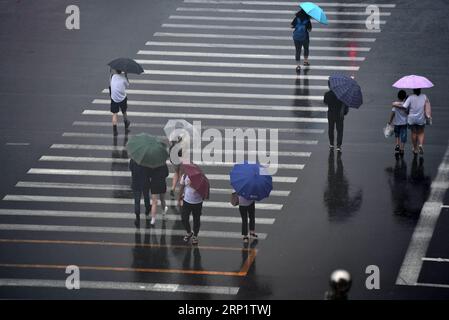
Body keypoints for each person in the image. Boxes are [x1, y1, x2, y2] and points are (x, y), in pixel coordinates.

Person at [394, 88, 430, 156]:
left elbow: (404, 107)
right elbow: (427, 106)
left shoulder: (410, 97)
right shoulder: (424, 96)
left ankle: (415, 148)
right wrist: (428, 115)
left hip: (412, 118)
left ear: (413, 90)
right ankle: (421, 145)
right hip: (421, 118)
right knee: (421, 132)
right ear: (420, 89)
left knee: (414, 132)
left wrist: (395, 105)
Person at [178, 172, 204, 245]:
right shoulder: (185, 176)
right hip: (186, 201)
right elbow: (181, 187)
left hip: (197, 202)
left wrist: (193, 185)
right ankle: (189, 232)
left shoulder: (200, 178)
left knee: (196, 219)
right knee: (184, 218)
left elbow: (203, 191)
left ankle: (195, 236)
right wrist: (179, 198)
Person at [324, 80, 348, 152]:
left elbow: (325, 102)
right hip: (339, 115)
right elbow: (345, 105)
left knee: (331, 129)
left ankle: (331, 144)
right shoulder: (341, 95)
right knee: (340, 130)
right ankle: (338, 145)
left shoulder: (327, 94)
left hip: (331, 114)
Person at [129, 159, 152, 228]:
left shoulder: (133, 160)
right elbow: (150, 172)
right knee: (146, 197)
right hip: (145, 183)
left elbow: (131, 168)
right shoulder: (147, 160)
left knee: (137, 201)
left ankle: (137, 217)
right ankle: (147, 209)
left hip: (136, 183)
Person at [110, 69, 131, 136]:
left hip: (114, 98)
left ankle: (115, 130)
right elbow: (128, 84)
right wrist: (126, 75)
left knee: (114, 114)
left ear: (116, 71)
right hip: (122, 98)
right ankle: (126, 123)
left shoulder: (112, 76)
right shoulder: (123, 78)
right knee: (124, 111)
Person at [388, 90, 409, 157]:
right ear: (404, 97)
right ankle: (402, 148)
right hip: (404, 123)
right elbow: (408, 113)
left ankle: (397, 144)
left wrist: (390, 121)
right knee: (403, 136)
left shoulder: (395, 104)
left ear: (398, 96)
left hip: (396, 122)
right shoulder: (406, 104)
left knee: (397, 134)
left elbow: (393, 114)